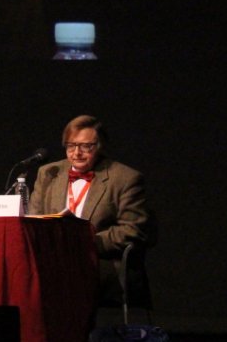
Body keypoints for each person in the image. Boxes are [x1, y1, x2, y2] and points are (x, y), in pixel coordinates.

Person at [30, 115, 156, 305]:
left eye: (85, 146)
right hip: (54, 261)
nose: (76, 153)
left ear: (100, 146)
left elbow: (134, 230)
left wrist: (85, 241)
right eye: (71, 146)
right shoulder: (48, 173)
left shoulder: (125, 178)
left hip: (99, 262)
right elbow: (34, 220)